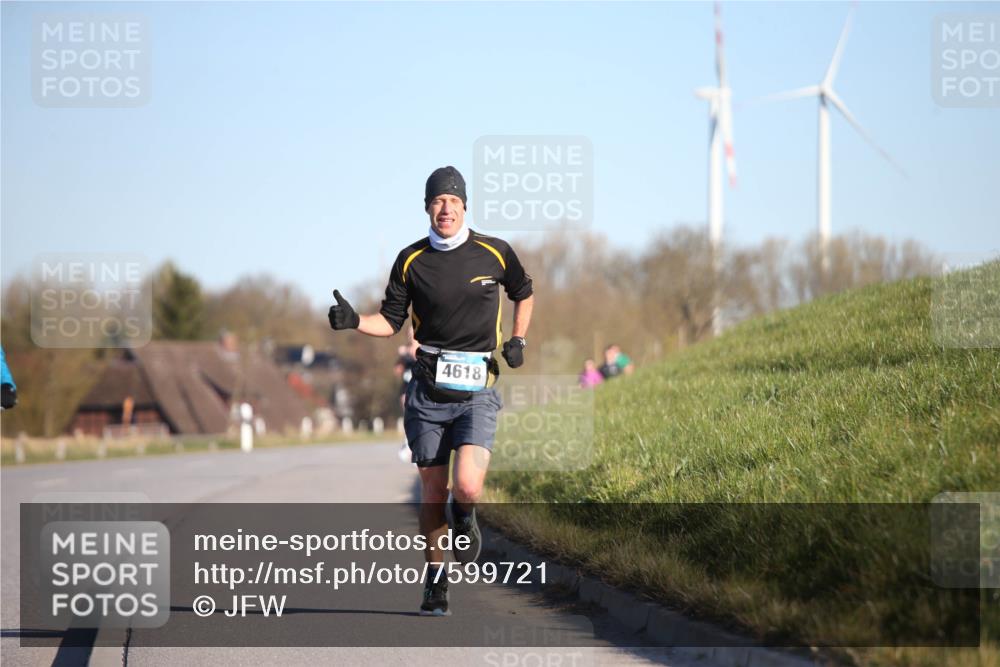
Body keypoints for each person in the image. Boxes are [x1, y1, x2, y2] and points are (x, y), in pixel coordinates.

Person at [328, 166, 534, 616]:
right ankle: (436, 582)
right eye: (438, 201)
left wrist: (517, 339)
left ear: (465, 207)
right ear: (427, 207)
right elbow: (390, 321)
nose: (446, 209)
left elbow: (524, 291)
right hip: (427, 391)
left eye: (454, 201)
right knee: (433, 491)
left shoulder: (495, 253)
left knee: (468, 485)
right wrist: (355, 323)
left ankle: (467, 516)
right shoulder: (410, 260)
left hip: (478, 387)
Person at [394, 333, 419, 462]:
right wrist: (403, 357)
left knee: (420, 419)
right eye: (409, 334)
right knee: (408, 418)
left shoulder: (424, 348)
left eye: (412, 333)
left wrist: (409, 352)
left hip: (421, 390)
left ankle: (419, 449)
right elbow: (397, 370)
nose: (411, 336)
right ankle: (408, 446)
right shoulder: (405, 353)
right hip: (406, 390)